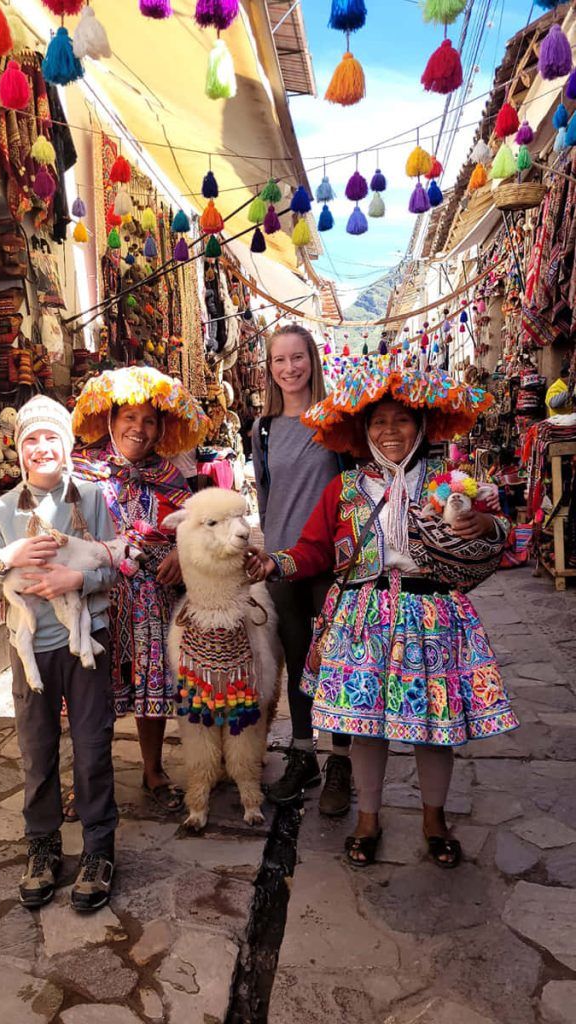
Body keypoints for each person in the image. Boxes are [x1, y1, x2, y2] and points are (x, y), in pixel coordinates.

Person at [247, 361, 519, 868]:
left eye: (402, 420)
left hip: (431, 616)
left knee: (435, 725)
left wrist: (485, 524)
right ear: (363, 431)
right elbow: (314, 550)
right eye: (378, 422)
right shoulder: (345, 489)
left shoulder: (449, 484)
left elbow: (501, 532)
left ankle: (434, 820)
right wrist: (275, 563)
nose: (390, 431)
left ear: (421, 426)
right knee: (365, 724)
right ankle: (368, 819)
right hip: (363, 619)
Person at [0, 395, 118, 912]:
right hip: (30, 648)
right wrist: (5, 560)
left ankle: (99, 850)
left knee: (92, 746)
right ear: (18, 450)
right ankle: (43, 845)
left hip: (85, 644)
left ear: (67, 444)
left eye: (50, 437)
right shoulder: (1, 511)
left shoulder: (91, 498)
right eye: (30, 439)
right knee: (37, 750)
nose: (41, 448)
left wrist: (77, 578)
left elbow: (112, 563)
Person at [72, 367, 209, 812]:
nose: (139, 428)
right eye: (129, 417)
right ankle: (88, 780)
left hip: (152, 597)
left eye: (149, 421)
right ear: (111, 420)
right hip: (97, 595)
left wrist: (181, 552)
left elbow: (196, 526)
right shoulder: (83, 471)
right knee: (91, 692)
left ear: (161, 428)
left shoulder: (169, 476)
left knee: (152, 684)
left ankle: (153, 770)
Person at [251, 324, 352, 815]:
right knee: (297, 660)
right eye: (279, 360)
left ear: (312, 359)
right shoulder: (263, 428)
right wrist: (268, 551)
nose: (289, 368)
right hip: (282, 562)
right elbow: (265, 494)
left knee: (338, 662)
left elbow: (351, 488)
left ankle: (342, 761)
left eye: (297, 357)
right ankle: (304, 753)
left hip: (332, 562)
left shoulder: (336, 420)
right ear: (270, 368)